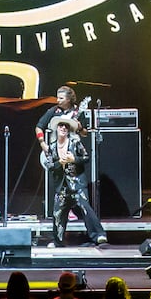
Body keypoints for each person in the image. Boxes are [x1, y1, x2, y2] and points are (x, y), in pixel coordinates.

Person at [35, 85, 107, 247]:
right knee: (59, 210)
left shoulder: (76, 114)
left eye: (61, 97)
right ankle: (58, 240)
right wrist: (43, 144)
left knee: (84, 204)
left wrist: (78, 127)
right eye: (57, 97)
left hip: (74, 159)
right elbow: (39, 126)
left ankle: (98, 235)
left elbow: (84, 134)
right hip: (57, 156)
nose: (58, 100)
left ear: (69, 99)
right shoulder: (53, 112)